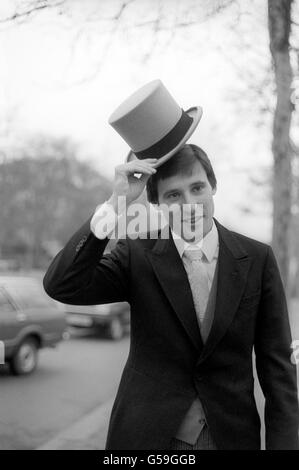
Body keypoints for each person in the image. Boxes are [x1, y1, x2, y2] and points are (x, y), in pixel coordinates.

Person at [43, 143, 299, 450]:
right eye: (173, 195)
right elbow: (62, 284)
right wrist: (115, 203)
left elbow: (277, 369)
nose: (189, 204)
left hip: (231, 437)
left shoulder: (258, 259)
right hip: (147, 438)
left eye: (197, 188)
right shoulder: (136, 255)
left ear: (213, 186)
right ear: (157, 203)